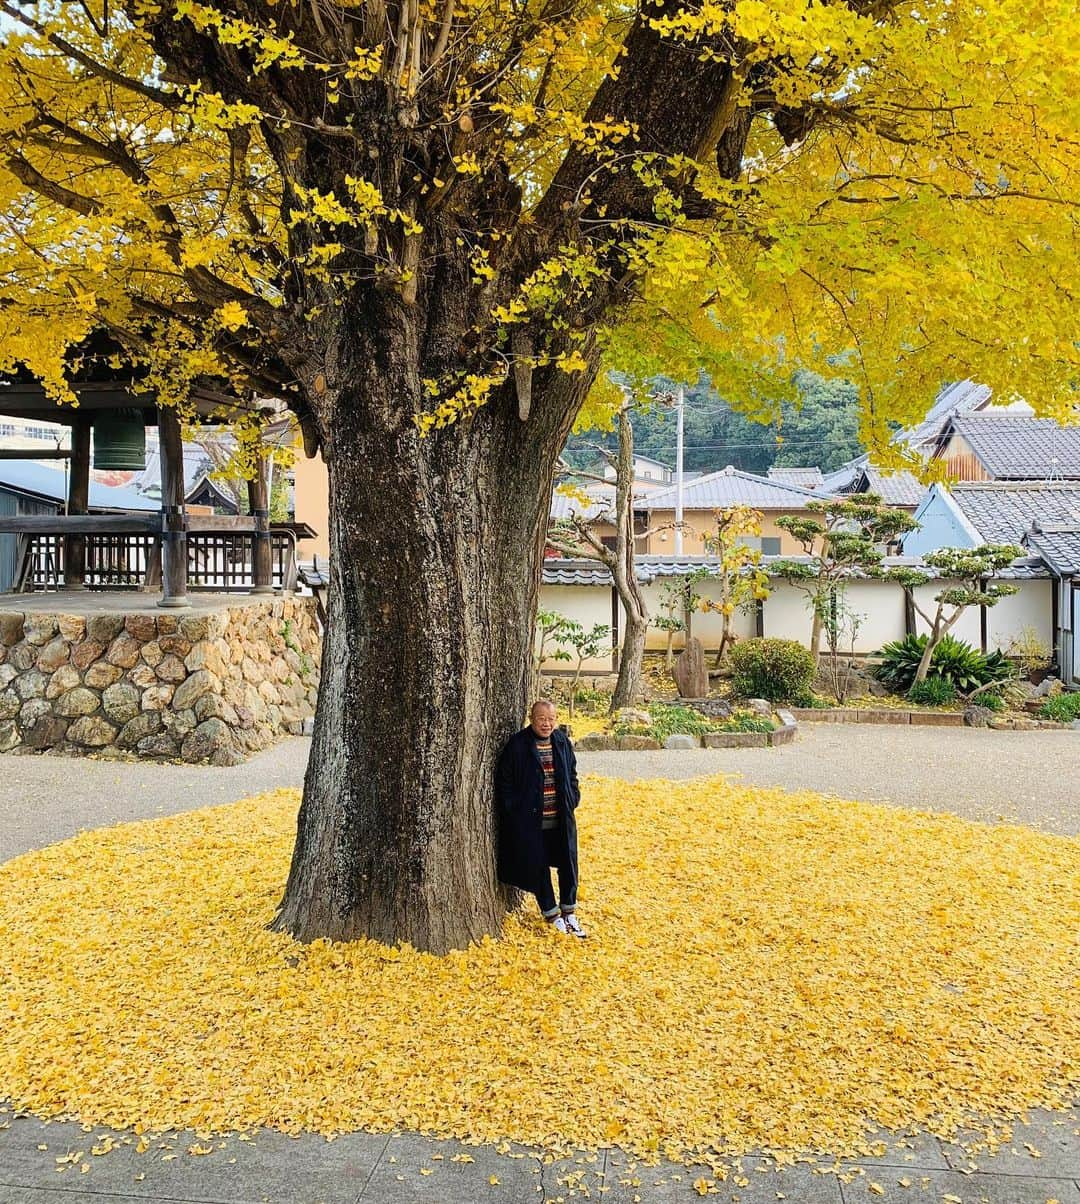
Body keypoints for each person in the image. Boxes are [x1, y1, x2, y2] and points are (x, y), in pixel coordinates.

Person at [495, 700, 587, 937]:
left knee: (568, 863)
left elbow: (572, 773)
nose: (546, 724)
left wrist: (572, 797)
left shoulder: (561, 742)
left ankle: (570, 912)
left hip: (561, 819)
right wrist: (515, 811)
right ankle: (552, 914)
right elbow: (504, 783)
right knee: (539, 867)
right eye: (541, 719)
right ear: (531, 718)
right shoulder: (518, 745)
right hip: (531, 822)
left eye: (551, 719)